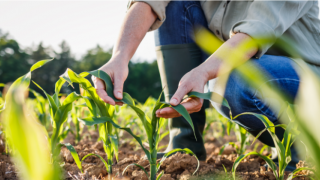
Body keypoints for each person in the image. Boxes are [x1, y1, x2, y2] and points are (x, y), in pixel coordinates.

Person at [92, 0, 320, 171]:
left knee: (233, 82)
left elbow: (256, 32)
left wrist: (203, 72)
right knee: (177, 4)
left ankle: (303, 147)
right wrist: (120, 56)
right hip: (244, 65)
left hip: (306, 74)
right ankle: (185, 145)